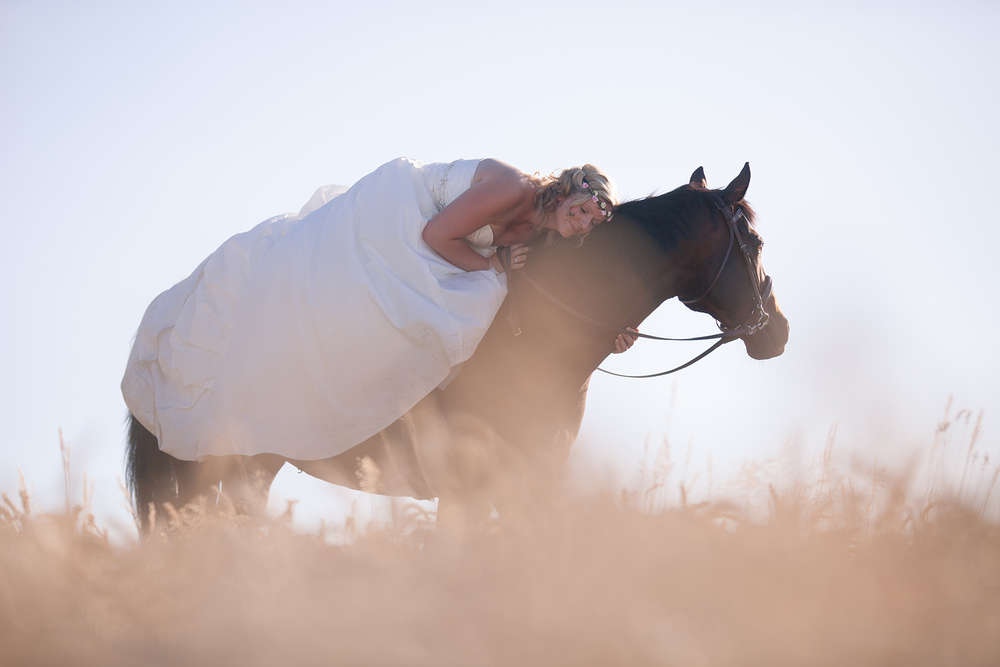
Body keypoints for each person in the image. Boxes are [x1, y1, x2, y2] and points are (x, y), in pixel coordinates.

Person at [121, 157, 633, 462]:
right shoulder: (512, 189)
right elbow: (436, 235)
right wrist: (496, 260)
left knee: (482, 300)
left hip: (454, 253)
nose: (584, 222)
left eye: (593, 221)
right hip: (407, 224)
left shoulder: (547, 233)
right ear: (566, 191)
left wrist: (613, 332)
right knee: (401, 308)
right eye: (583, 209)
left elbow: (568, 299)